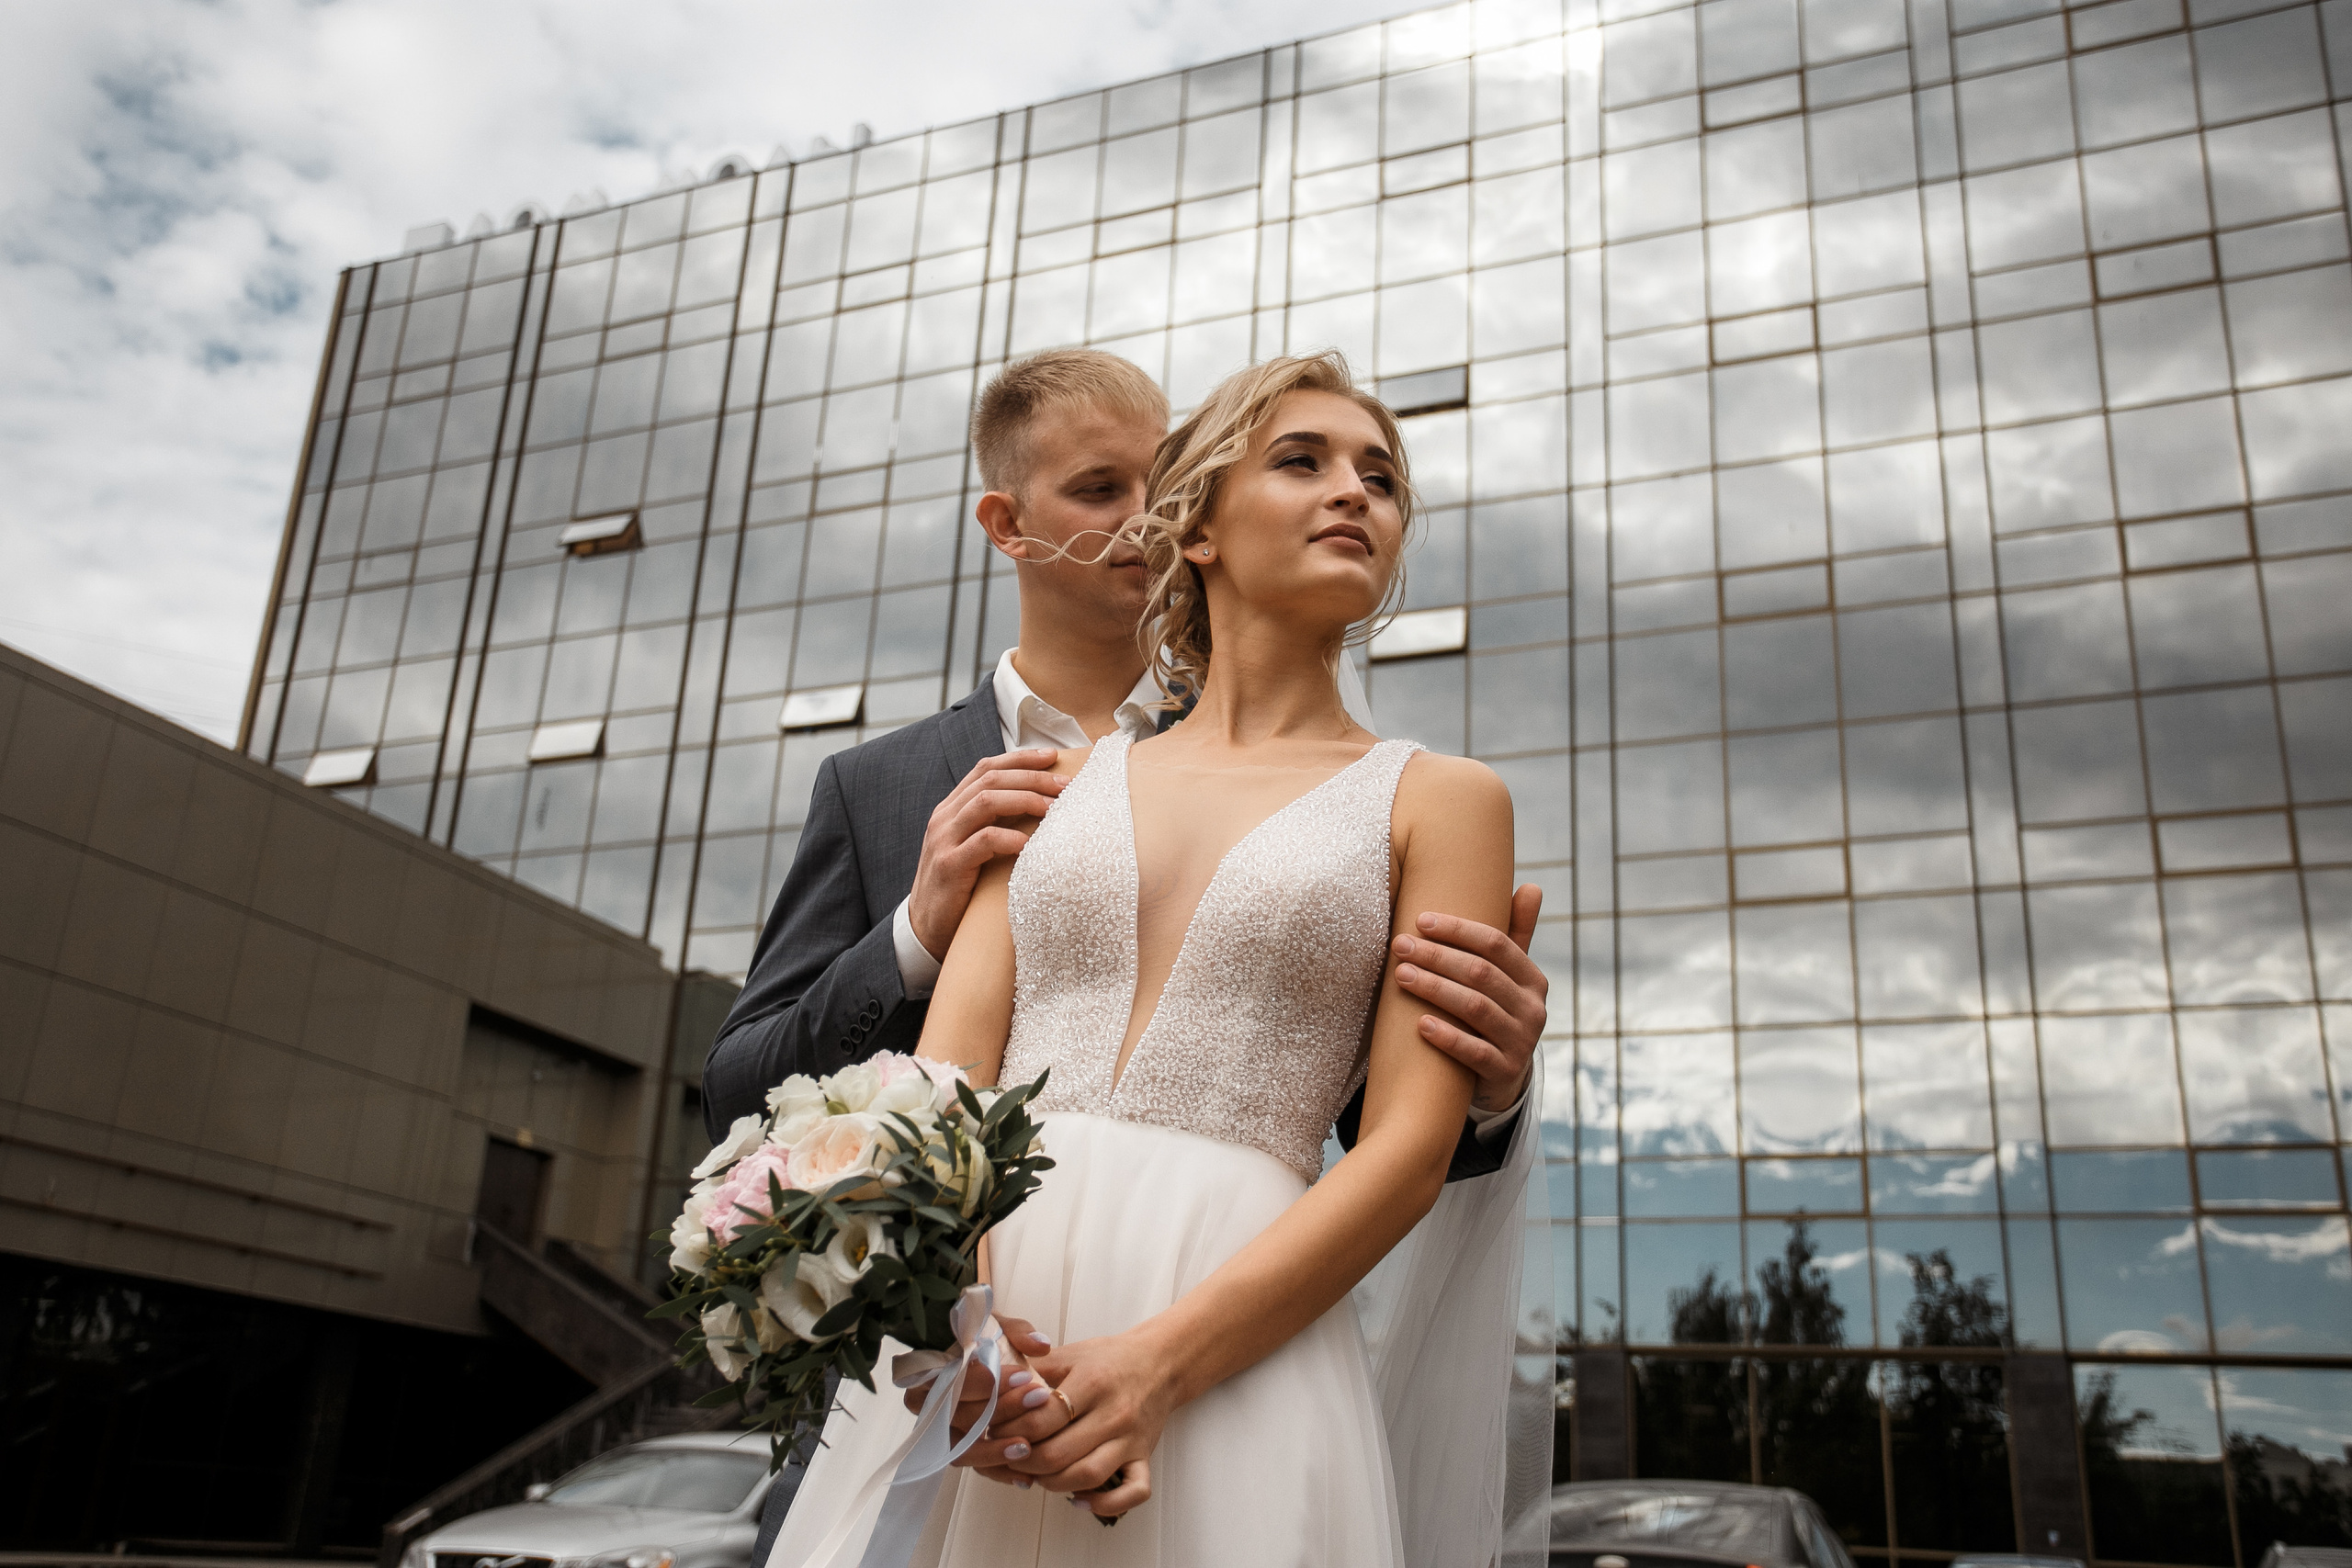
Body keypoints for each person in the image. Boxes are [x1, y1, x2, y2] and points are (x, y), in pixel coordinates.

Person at [705, 348, 1552, 1557]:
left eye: (1382, 475)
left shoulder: (1446, 798)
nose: (1355, 491)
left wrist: (1152, 1368)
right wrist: (977, 1341)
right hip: (990, 1332)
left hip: (1237, 1314)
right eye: (1304, 460)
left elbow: (1409, 1144)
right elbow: (937, 1094)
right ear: (1193, 527)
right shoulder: (1035, 790)